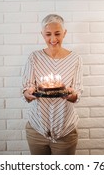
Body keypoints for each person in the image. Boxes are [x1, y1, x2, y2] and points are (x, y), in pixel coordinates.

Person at [22, 14, 83, 155]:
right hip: (37, 129)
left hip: (65, 130)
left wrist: (70, 95)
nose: (53, 39)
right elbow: (27, 90)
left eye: (57, 34)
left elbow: (77, 94)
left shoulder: (75, 59)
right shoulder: (34, 58)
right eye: (48, 34)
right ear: (42, 34)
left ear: (64, 33)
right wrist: (28, 93)